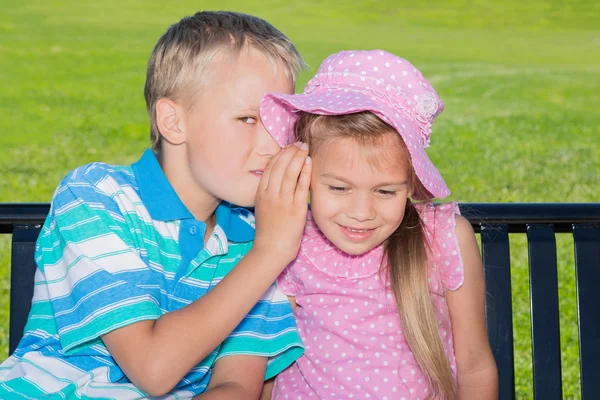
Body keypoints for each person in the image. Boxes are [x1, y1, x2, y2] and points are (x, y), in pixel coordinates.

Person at [0, 11, 313, 399]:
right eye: (248, 118)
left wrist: (266, 248)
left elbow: (236, 386)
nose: (273, 144)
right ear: (173, 121)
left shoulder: (256, 239)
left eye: (280, 121)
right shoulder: (97, 196)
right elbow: (153, 367)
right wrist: (271, 252)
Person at [259, 50, 498, 399]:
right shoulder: (291, 237)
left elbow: (474, 367)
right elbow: (269, 369)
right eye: (339, 187)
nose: (361, 212)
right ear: (306, 171)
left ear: (411, 182)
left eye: (385, 191)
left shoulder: (442, 238)